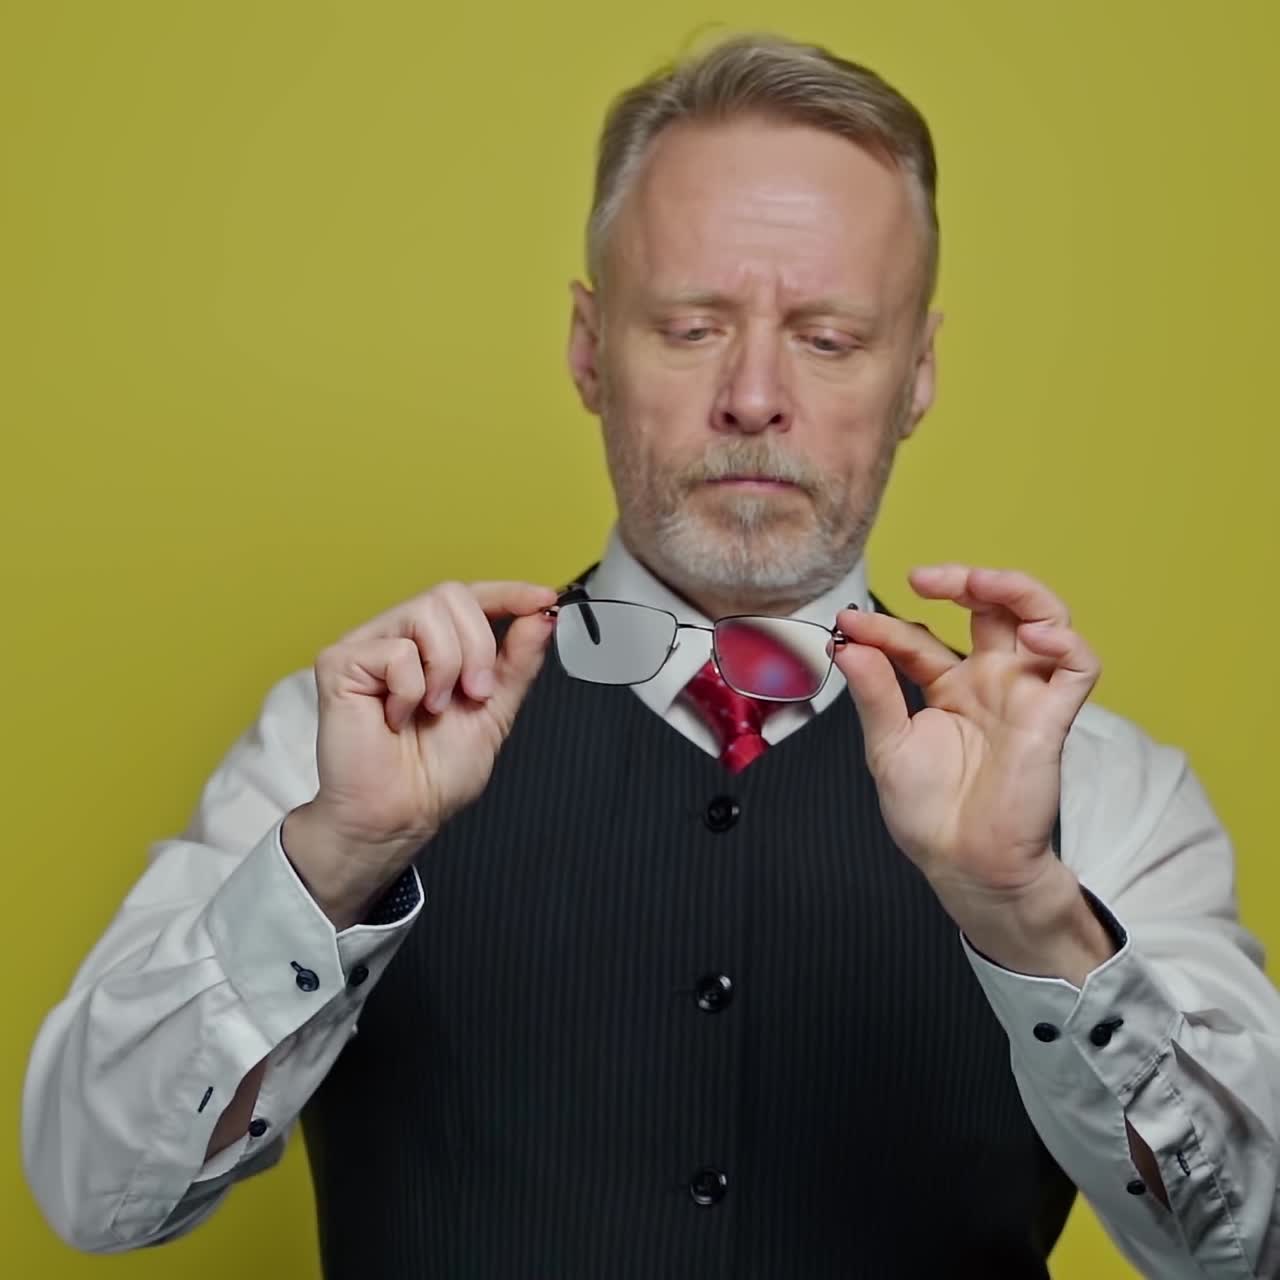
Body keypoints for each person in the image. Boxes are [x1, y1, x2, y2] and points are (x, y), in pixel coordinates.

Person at [22, 33, 1280, 1280]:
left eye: (829, 338)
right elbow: (93, 1190)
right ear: (588, 349)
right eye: (688, 326)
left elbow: (1245, 1246)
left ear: (916, 376)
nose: (752, 395)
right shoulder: (348, 741)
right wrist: (333, 861)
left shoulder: (1098, 787)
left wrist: (1029, 915)